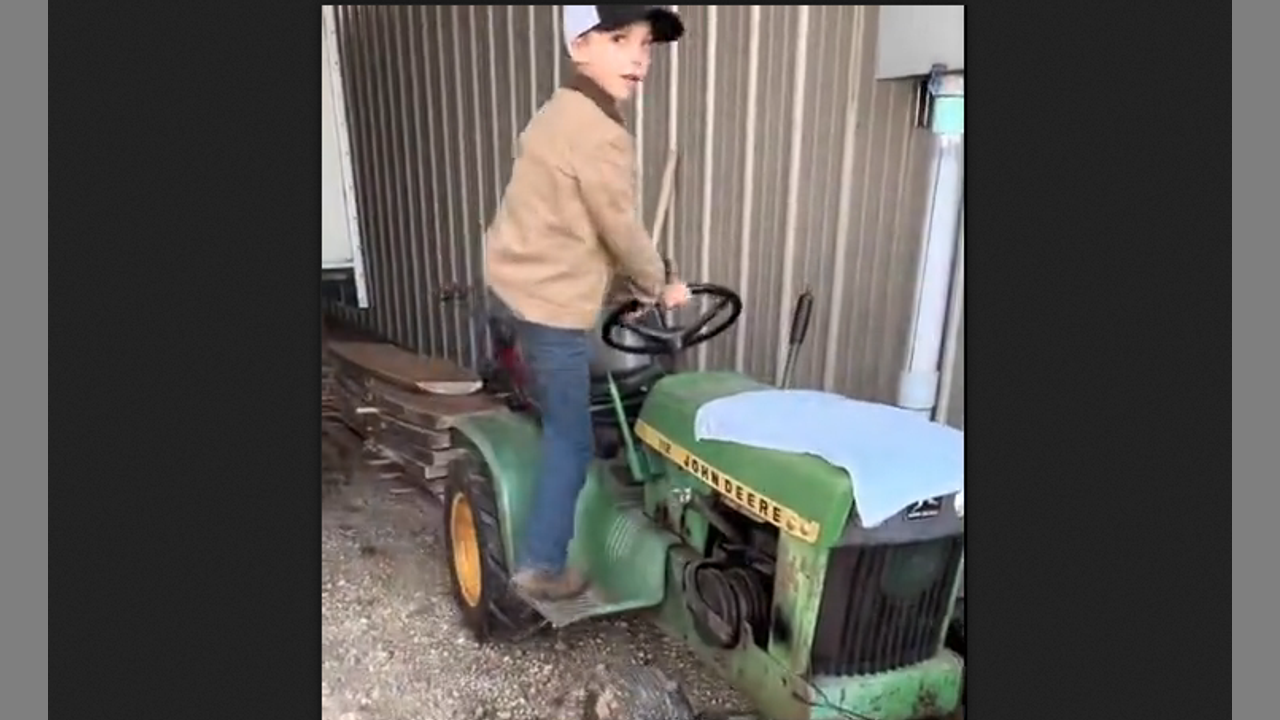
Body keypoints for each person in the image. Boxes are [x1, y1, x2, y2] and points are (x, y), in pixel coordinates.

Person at [482, 5, 690, 601]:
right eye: (620, 40)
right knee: (572, 438)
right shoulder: (599, 133)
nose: (638, 57)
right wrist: (657, 285)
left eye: (646, 46)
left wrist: (634, 281)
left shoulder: (561, 110)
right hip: (549, 306)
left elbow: (577, 221)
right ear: (579, 46)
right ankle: (540, 565)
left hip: (521, 281)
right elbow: (619, 227)